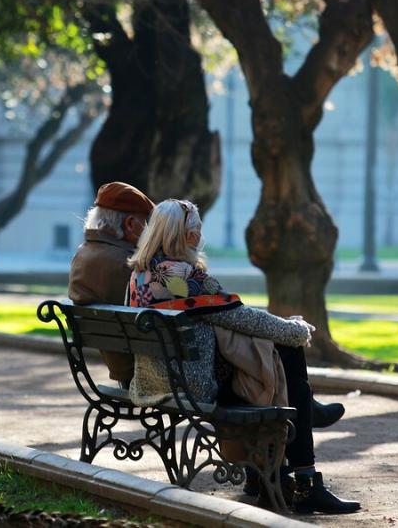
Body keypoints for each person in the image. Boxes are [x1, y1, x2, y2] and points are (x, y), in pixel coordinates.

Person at [126, 199, 360, 515]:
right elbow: (239, 316)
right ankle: (307, 479)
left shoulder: (140, 274)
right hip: (194, 384)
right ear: (186, 236)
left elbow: (229, 315)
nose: (198, 237)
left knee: (279, 361)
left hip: (159, 376)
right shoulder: (183, 278)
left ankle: (264, 471)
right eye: (195, 231)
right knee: (288, 351)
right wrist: (296, 329)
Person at [68, 182, 155, 386]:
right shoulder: (127, 265)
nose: (150, 231)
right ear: (131, 224)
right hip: (144, 371)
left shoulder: (83, 255)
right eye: (147, 223)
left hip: (121, 368)